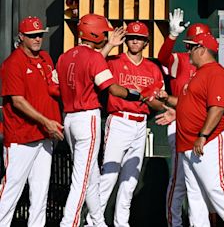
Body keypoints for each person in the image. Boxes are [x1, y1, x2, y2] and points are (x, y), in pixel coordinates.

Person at [57, 14, 152, 227]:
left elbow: (55, 85)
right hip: (86, 118)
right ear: (95, 33)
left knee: (91, 176)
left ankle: (98, 222)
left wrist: (108, 46)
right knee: (81, 178)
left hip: (69, 118)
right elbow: (111, 88)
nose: (107, 34)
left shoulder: (65, 56)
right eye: (105, 31)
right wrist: (136, 94)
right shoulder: (94, 57)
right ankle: (68, 223)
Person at [157, 32, 224, 227]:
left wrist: (203, 135)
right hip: (189, 143)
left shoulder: (215, 72)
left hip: (208, 140)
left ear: (201, 49)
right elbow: (186, 104)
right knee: (195, 195)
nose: (188, 51)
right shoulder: (198, 73)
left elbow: (218, 108)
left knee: (217, 188)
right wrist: (167, 99)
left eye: (191, 47)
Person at [87, 21, 164, 227]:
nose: (135, 41)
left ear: (146, 42)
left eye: (139, 38)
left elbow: (158, 103)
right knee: (109, 176)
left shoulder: (153, 68)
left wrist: (149, 99)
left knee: (130, 180)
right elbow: (91, 65)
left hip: (140, 124)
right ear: (125, 40)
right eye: (131, 37)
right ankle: (93, 221)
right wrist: (109, 45)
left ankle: (122, 223)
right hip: (120, 119)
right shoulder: (114, 60)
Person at [0, 16, 63, 227]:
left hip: (44, 136)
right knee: (12, 189)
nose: (37, 39)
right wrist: (47, 121)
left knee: (40, 191)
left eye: (40, 35)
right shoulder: (12, 63)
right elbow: (18, 101)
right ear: (21, 37)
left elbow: (52, 90)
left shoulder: (46, 58)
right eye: (32, 35)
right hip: (21, 137)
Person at [157, 8, 211, 227]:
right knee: (179, 181)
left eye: (198, 44)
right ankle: (175, 223)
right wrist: (172, 36)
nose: (193, 48)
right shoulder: (180, 59)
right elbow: (162, 57)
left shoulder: (212, 66)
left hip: (205, 127)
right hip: (179, 124)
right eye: (191, 44)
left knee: (203, 182)